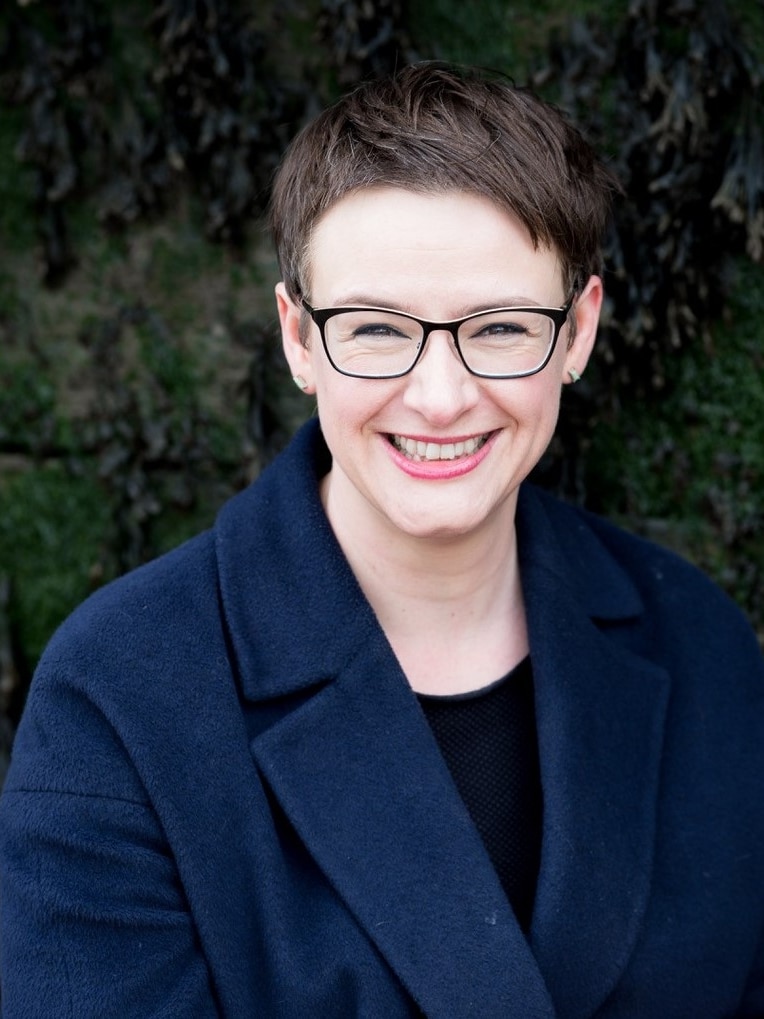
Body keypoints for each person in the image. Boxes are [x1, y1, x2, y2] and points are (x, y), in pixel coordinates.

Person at [1, 62, 763, 1019]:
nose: (439, 396)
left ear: (578, 333)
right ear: (298, 340)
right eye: (373, 328)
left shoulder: (703, 645)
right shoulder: (118, 698)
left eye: (499, 328)